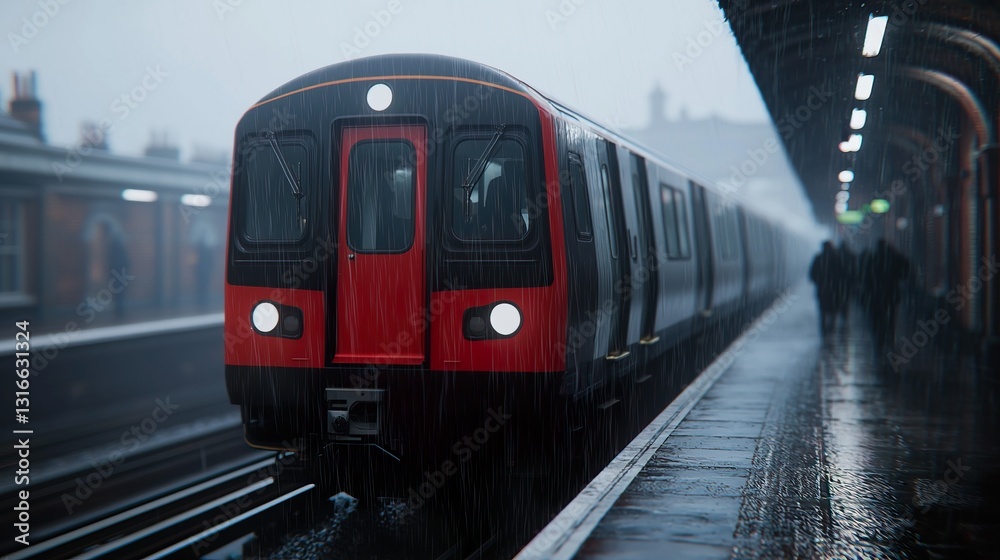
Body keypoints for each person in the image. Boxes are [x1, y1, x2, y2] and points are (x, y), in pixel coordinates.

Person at [862, 239, 910, 353]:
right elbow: (906, 269)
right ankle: (888, 339)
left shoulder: (873, 259)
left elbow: (865, 278)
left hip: (876, 295)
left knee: (877, 318)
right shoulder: (893, 258)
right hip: (890, 295)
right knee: (889, 318)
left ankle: (879, 340)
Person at [809, 241, 840, 337]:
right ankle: (831, 330)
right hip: (836, 291)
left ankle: (824, 332)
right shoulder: (837, 258)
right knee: (834, 312)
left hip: (822, 291)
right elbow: (843, 274)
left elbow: (812, 275)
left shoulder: (818, 259)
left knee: (823, 312)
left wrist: (820, 282)